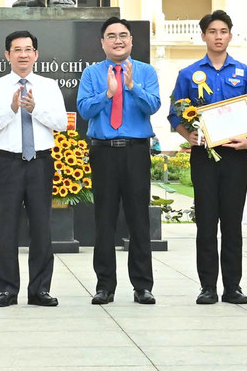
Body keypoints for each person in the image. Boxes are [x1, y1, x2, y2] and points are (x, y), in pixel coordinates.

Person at [167, 10, 247, 305]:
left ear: (230, 35)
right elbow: (175, 114)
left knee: (232, 223)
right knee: (206, 222)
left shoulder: (245, 73)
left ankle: (233, 286)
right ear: (203, 36)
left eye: (223, 31)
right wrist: (187, 135)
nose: (218, 37)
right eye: (212, 31)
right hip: (203, 157)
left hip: (235, 157)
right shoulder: (188, 74)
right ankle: (208, 286)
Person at [0, 30, 66, 307]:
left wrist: (35, 109)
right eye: (17, 50)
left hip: (40, 162)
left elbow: (61, 123)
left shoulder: (49, 86)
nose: (23, 54)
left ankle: (39, 289)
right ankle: (6, 289)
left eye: (28, 49)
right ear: (7, 55)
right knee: (6, 228)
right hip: (8, 163)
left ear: (36, 54)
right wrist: (11, 109)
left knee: (42, 227)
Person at [77, 17, 161, 305]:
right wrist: (109, 93)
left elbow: (153, 105)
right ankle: (105, 286)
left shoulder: (146, 71)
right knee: (104, 219)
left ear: (131, 40)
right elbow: (85, 110)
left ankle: (142, 286)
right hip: (104, 151)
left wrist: (132, 86)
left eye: (123, 35)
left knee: (139, 219)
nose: (118, 40)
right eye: (111, 36)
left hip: (136, 150)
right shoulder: (91, 73)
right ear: (102, 42)